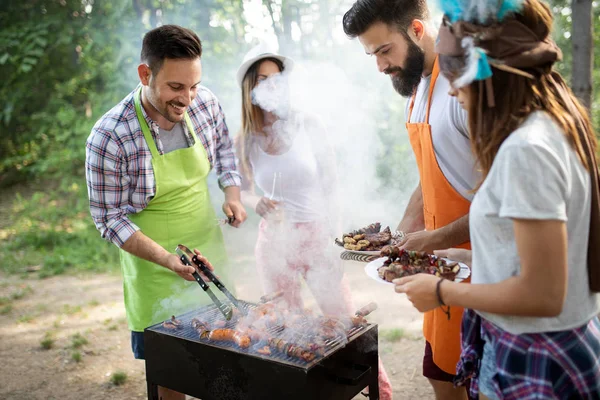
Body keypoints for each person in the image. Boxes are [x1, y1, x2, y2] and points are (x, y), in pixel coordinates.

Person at [395, 0, 600, 398]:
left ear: (492, 76)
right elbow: (530, 255)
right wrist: (462, 258)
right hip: (536, 346)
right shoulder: (546, 127)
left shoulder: (528, 149)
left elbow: (542, 293)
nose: (453, 91)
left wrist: (441, 292)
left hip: (540, 357)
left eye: (458, 77)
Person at [85, 25, 247, 400]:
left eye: (193, 85)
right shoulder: (110, 136)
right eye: (176, 87)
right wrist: (167, 260)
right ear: (146, 74)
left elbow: (225, 152)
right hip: (155, 272)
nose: (188, 98)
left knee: (227, 366)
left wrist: (233, 195)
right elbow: (109, 219)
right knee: (173, 376)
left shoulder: (204, 103)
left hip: (211, 258)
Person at [235, 44, 393, 399]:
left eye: (277, 79)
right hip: (274, 244)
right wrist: (253, 200)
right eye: (262, 79)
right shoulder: (245, 139)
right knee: (286, 332)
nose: (271, 86)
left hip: (317, 236)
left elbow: (331, 187)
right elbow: (237, 191)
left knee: (345, 323)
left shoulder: (309, 124)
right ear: (249, 86)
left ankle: (380, 393)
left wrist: (334, 243)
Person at [343, 1, 479, 398]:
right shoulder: (416, 89)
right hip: (438, 268)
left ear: (417, 29)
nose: (380, 66)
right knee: (439, 375)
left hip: (479, 272)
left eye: (384, 51)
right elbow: (431, 174)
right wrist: (400, 238)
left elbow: (499, 199)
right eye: (372, 55)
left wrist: (432, 242)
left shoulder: (464, 90)